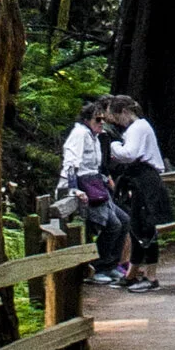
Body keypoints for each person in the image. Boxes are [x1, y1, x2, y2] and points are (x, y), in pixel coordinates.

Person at [104, 95, 172, 288]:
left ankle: (151, 277)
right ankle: (131, 274)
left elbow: (129, 154)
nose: (117, 122)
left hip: (146, 179)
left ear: (125, 112)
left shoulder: (137, 128)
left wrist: (113, 145)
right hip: (139, 179)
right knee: (136, 227)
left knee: (146, 228)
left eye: (117, 117)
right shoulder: (138, 128)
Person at [56, 97, 127, 279]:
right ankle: (98, 267)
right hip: (85, 186)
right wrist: (73, 189)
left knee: (124, 221)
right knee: (112, 225)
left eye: (103, 119)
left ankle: (109, 264)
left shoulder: (95, 136)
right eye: (97, 119)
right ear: (86, 120)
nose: (101, 123)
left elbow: (96, 165)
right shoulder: (79, 134)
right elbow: (71, 163)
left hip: (96, 185)